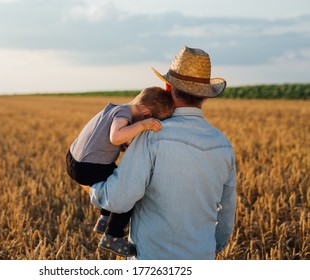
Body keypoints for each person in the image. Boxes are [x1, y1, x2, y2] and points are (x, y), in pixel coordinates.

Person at [90, 46, 237, 259]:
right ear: (205, 97)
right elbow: (226, 212)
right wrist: (213, 246)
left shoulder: (151, 134)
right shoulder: (223, 144)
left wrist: (93, 189)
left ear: (167, 87)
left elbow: (119, 199)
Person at [66, 86, 174, 256]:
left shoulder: (114, 109)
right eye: (149, 119)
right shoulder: (124, 113)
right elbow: (115, 136)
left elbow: (106, 139)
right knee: (126, 189)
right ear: (146, 114)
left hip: (74, 160)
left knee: (113, 175)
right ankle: (113, 235)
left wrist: (123, 143)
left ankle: (104, 218)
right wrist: (143, 125)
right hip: (88, 166)